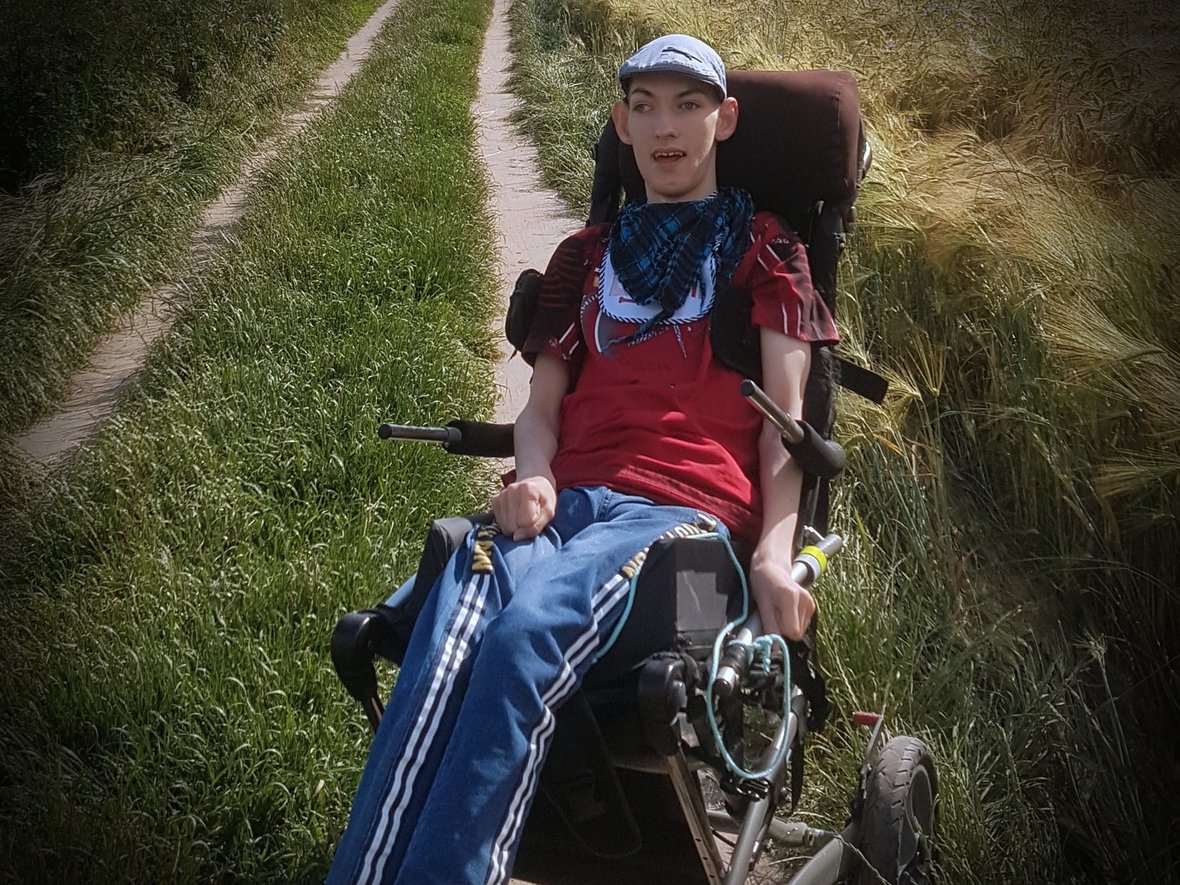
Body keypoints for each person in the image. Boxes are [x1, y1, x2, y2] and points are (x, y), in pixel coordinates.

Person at [327, 33, 839, 885]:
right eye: (645, 107)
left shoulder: (767, 251)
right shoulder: (584, 258)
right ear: (621, 122)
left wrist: (773, 558)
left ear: (724, 118)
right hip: (569, 505)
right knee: (448, 642)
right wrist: (533, 474)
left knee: (525, 635)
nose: (665, 127)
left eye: (687, 105)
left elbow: (786, 429)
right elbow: (541, 411)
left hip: (693, 539)